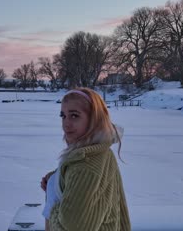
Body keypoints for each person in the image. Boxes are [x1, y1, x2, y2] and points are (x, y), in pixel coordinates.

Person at [41, 87, 130, 231]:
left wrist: (53, 207)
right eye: (63, 116)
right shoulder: (101, 151)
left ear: (94, 119)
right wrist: (57, 179)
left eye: (74, 116)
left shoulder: (86, 165)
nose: (66, 123)